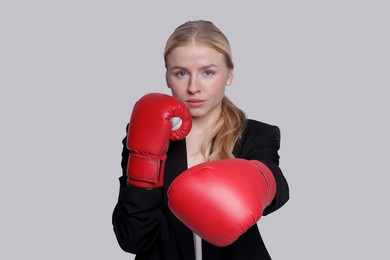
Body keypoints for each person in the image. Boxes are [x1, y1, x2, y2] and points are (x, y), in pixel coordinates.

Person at [112, 20, 289, 259]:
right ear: (167, 78)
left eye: (208, 72)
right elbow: (132, 238)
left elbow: (277, 191)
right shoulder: (147, 134)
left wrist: (258, 182)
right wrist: (147, 160)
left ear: (229, 75)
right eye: (181, 73)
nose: (193, 87)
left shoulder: (256, 135)